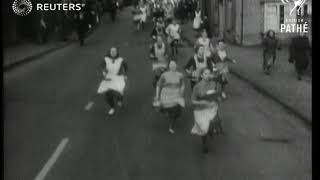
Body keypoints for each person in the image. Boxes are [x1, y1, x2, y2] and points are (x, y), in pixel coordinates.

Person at [191, 68, 221, 154]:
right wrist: (203, 103)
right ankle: (204, 144)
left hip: (212, 108)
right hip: (200, 110)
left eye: (209, 73)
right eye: (205, 73)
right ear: (201, 75)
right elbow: (193, 101)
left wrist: (219, 97)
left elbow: (216, 96)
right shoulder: (197, 86)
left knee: (215, 123)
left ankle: (211, 130)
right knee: (204, 129)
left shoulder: (213, 84)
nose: (208, 75)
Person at [154, 60, 185, 134]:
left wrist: (181, 92)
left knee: (175, 112)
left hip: (176, 95)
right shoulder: (164, 75)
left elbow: (183, 84)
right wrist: (157, 95)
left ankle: (171, 126)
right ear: (169, 66)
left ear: (176, 66)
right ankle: (166, 112)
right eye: (171, 65)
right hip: (165, 95)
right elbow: (158, 85)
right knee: (165, 109)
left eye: (174, 65)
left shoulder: (180, 75)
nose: (173, 66)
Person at [98, 47, 128, 116]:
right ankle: (112, 107)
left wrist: (124, 75)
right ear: (110, 52)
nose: (113, 53)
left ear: (117, 52)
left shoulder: (121, 60)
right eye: (112, 51)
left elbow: (126, 67)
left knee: (119, 93)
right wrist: (103, 72)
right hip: (108, 79)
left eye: (115, 51)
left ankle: (119, 100)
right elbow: (101, 66)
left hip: (118, 78)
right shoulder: (106, 59)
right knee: (108, 95)